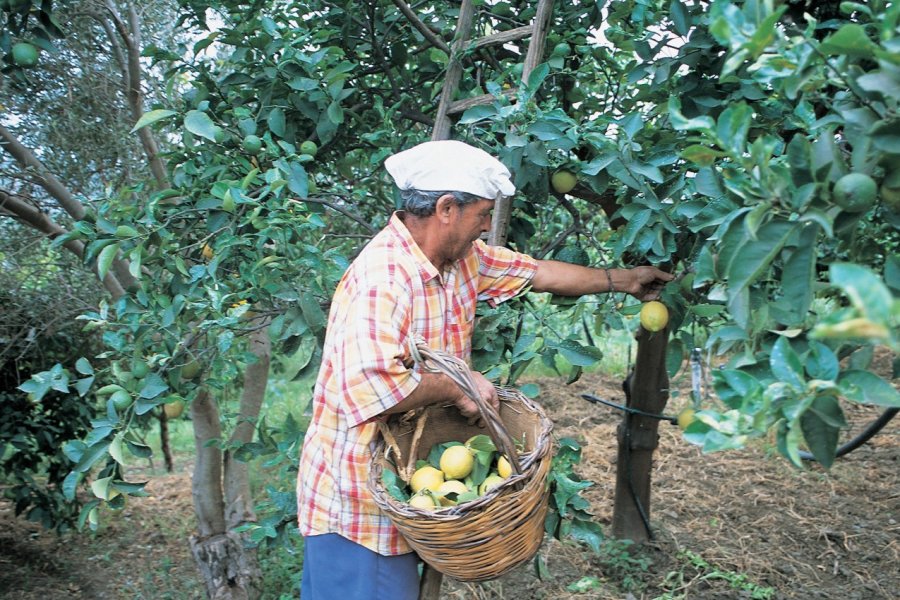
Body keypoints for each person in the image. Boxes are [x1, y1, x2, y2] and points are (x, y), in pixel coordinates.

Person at [296, 140, 673, 599]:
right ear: (447, 208)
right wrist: (461, 386)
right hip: (357, 502)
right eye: (483, 214)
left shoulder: (459, 260)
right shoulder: (385, 280)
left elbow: (539, 273)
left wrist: (625, 280)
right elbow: (369, 389)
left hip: (408, 486)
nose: (486, 227)